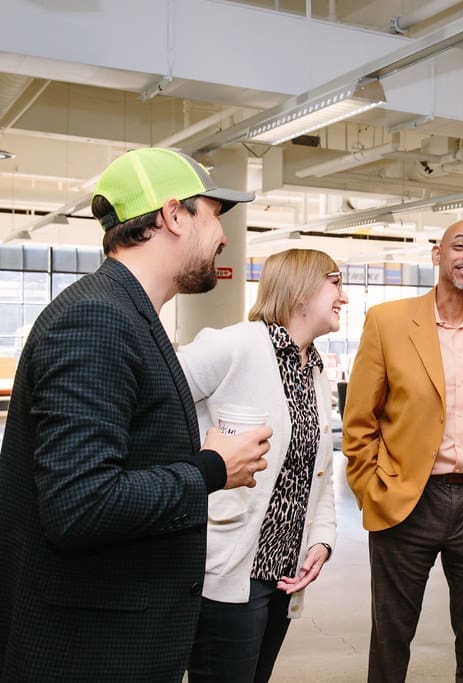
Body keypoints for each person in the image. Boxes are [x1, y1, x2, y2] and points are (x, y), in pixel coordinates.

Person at [0, 147, 271, 681]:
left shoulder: (127, 313)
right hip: (90, 651)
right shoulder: (97, 320)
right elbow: (79, 505)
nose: (223, 236)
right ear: (173, 215)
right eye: (216, 214)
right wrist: (213, 468)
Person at [343, 219, 463, 682]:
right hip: (406, 498)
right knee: (391, 634)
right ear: (437, 254)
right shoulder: (387, 321)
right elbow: (360, 420)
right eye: (461, 245)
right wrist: (372, 487)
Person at [179, 248, 347, 682]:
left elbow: (320, 474)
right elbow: (154, 404)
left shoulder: (312, 370)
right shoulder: (234, 345)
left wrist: (321, 542)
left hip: (283, 576)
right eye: (335, 282)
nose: (343, 296)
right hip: (229, 570)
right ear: (300, 290)